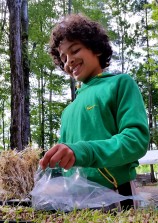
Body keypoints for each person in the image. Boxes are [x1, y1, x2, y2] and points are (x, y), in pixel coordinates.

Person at [40, 13, 150, 209]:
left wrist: (84, 151)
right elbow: (67, 159)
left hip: (117, 195)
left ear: (96, 48)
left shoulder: (120, 84)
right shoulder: (68, 111)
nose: (69, 61)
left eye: (75, 50)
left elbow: (136, 141)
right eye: (63, 58)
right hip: (76, 202)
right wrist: (48, 171)